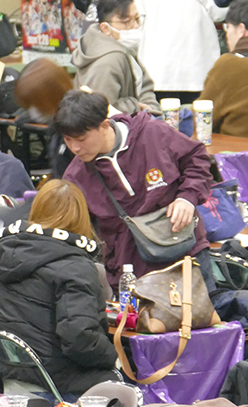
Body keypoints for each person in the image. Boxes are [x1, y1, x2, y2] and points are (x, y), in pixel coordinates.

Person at [56, 90, 213, 290]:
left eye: (81, 138)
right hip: (130, 272)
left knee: (208, 309)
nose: (75, 148)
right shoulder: (75, 177)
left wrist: (187, 198)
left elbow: (197, 158)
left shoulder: (153, 133)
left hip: (187, 251)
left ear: (104, 125)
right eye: (68, 140)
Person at [0, 180, 121, 397]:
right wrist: (115, 357)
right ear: (81, 217)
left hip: (12, 375)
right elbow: (80, 339)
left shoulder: (11, 253)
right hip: (57, 382)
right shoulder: (75, 267)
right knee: (130, 383)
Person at [126, 0, 226, 102]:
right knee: (200, 114)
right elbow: (220, 13)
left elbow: (133, 22)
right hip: (199, 68)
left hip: (155, 71)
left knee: (156, 115)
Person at [72, 0, 160, 114]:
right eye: (126, 22)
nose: (135, 26)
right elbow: (102, 109)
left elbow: (145, 87)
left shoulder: (124, 47)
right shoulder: (108, 60)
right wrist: (136, 107)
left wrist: (150, 110)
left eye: (137, 19)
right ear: (105, 28)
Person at [199, 0, 248, 139]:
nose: (227, 35)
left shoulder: (230, 65)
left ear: (241, 30)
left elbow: (201, 118)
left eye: (228, 27)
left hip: (236, 150)